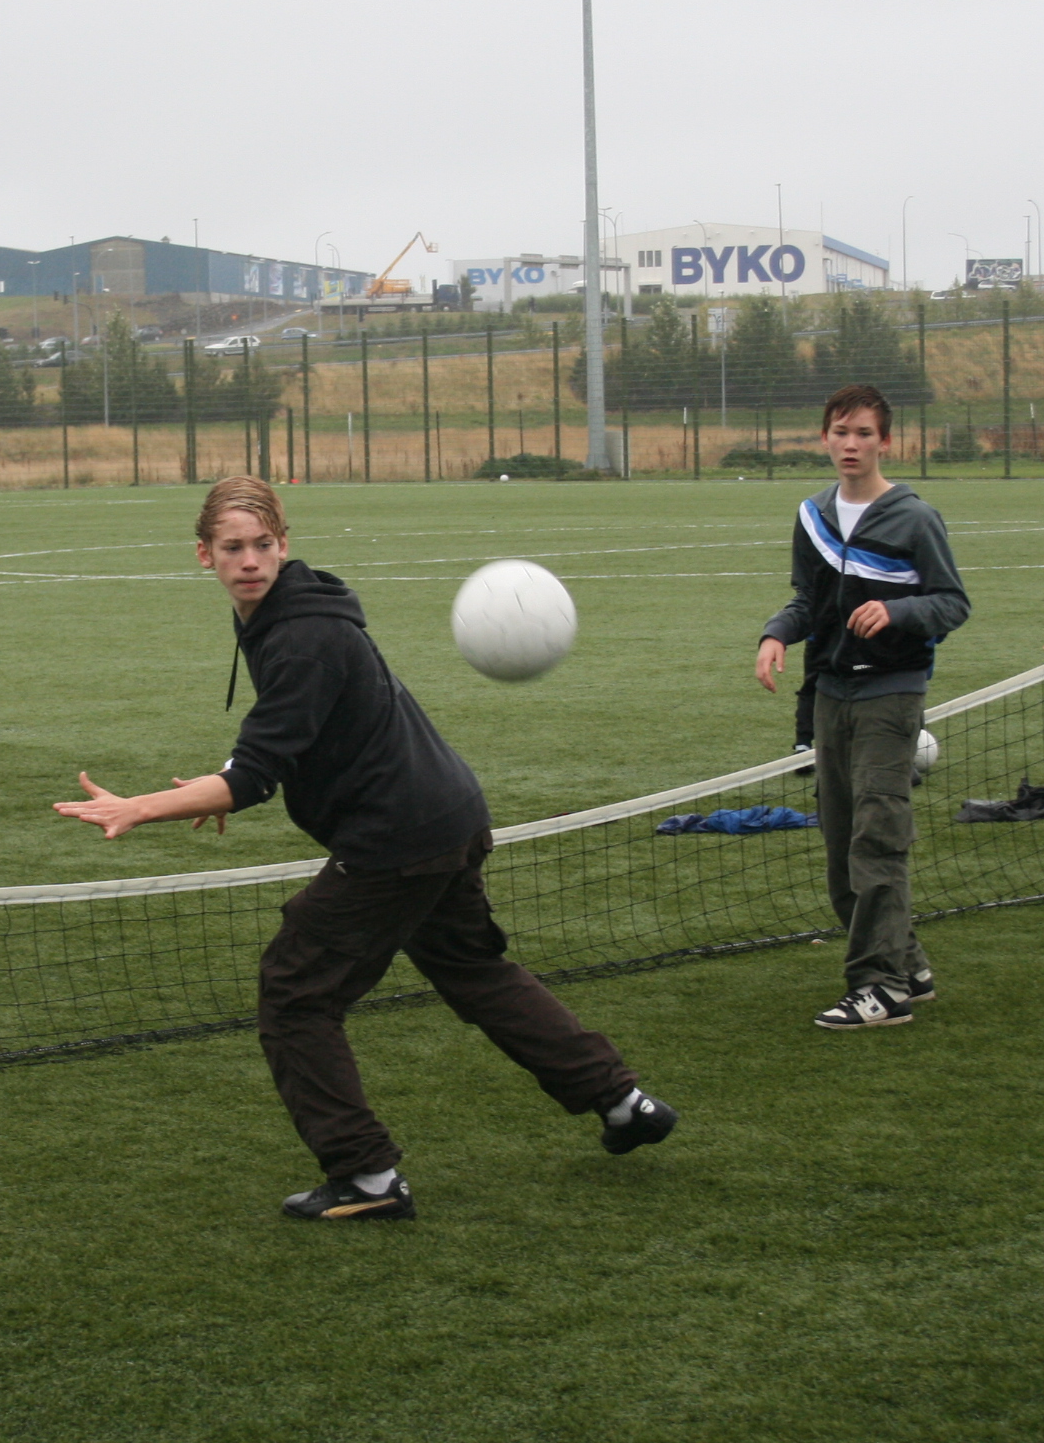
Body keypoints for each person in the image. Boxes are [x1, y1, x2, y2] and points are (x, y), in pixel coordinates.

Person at [53, 476, 674, 1220]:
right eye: (232, 547)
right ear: (204, 554)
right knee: (473, 969)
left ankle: (367, 1176)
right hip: (448, 814)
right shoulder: (293, 611)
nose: (249, 560)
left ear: (284, 545)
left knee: (294, 992)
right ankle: (624, 1104)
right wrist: (217, 784)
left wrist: (140, 807)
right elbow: (292, 733)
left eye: (262, 545)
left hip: (397, 837)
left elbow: (254, 776)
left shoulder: (301, 635)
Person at [755, 383, 971, 1030]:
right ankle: (909, 964)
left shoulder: (915, 518)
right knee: (840, 841)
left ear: (886, 442)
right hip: (829, 694)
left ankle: (882, 987)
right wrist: (776, 633)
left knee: (877, 837)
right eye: (841, 432)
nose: (851, 444)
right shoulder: (812, 516)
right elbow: (807, 600)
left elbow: (952, 602)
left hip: (890, 695)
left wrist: (898, 612)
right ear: (825, 437)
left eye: (864, 434)